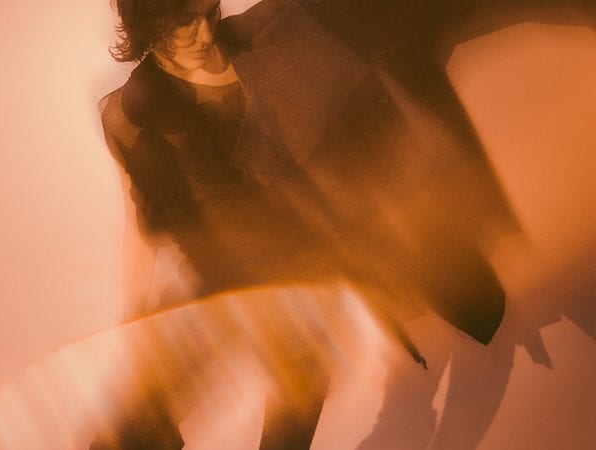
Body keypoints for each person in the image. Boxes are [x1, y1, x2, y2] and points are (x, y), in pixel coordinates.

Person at [93, 0, 595, 448]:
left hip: (310, 272)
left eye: (208, 12)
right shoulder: (132, 112)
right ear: (148, 24)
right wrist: (135, 318)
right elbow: (143, 222)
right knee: (137, 429)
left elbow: (407, 14)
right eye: (183, 23)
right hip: (223, 277)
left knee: (294, 411)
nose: (203, 33)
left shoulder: (271, 35)